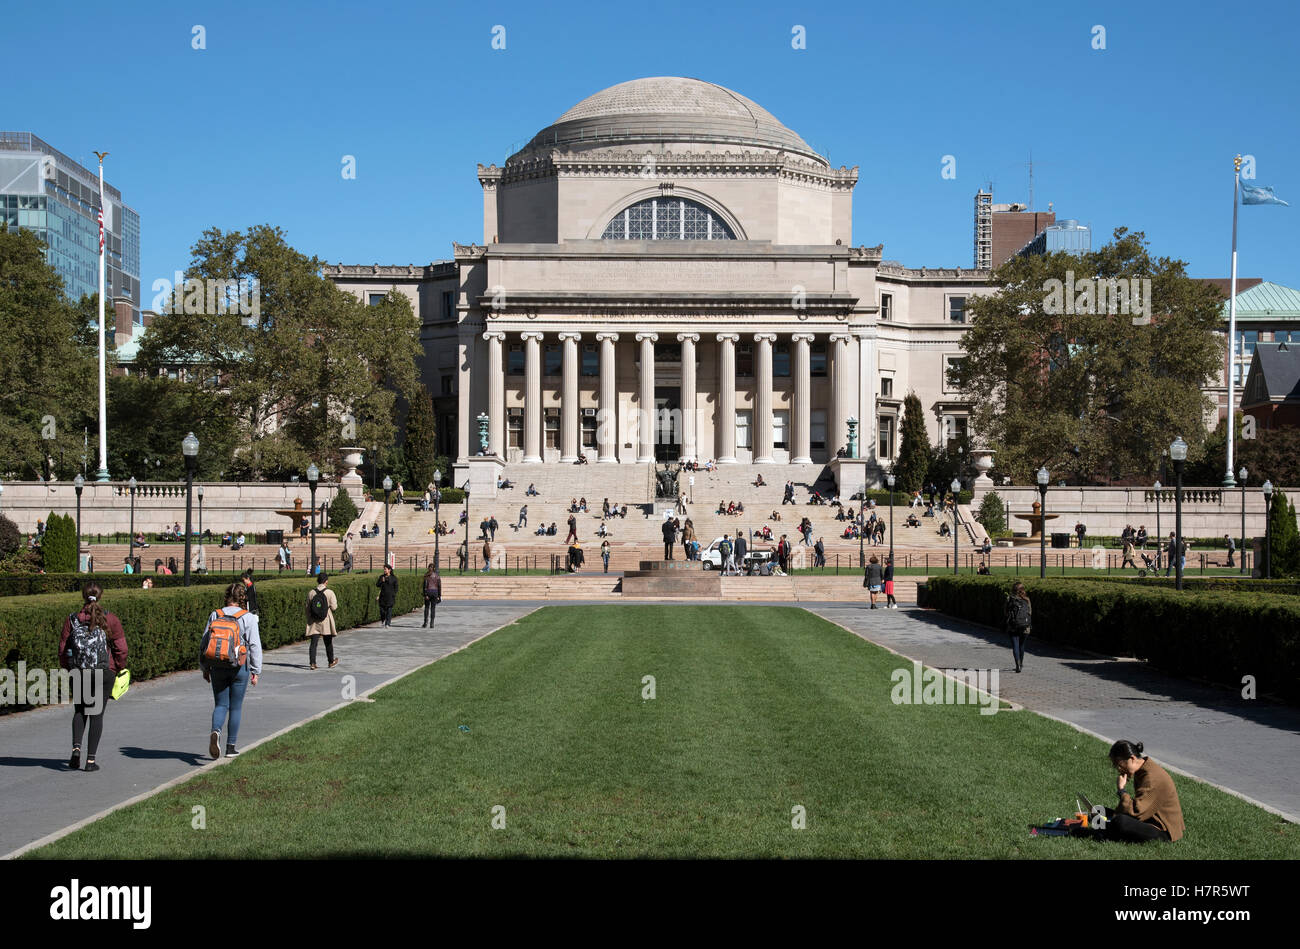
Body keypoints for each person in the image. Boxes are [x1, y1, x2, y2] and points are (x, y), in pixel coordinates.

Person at [59, 583, 128, 772]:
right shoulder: (109, 619)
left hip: (79, 671)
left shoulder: (72, 619)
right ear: (100, 596)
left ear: (83, 597)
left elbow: (63, 649)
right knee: (97, 715)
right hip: (103, 671)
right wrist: (118, 668)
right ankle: (90, 761)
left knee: (80, 711)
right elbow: (121, 648)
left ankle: (75, 749)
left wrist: (69, 668)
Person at [200, 581, 262, 759]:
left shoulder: (215, 614)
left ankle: (216, 731)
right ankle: (230, 747)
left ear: (226, 597)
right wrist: (256, 671)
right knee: (235, 707)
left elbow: (205, 643)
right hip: (239, 667)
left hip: (217, 665)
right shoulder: (247, 617)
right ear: (243, 599)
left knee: (220, 704)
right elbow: (254, 645)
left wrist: (204, 667)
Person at [1103, 740, 1185, 843]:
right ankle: (1104, 824)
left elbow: (1136, 812)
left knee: (1120, 822)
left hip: (1163, 831)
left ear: (1132, 759)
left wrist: (1121, 790)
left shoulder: (1152, 778)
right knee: (1101, 811)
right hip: (1149, 819)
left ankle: (1104, 829)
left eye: (1120, 765)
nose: (1119, 770)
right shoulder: (1142, 770)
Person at [305, 572, 339, 670]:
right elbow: (334, 607)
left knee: (313, 643)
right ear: (326, 581)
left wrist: (309, 618)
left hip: (314, 620)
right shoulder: (329, 592)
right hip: (326, 619)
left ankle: (312, 663)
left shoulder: (311, 592)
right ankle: (331, 661)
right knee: (328, 641)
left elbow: (307, 608)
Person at [1004, 581, 1031, 673]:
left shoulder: (1010, 599)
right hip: (1025, 626)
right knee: (1022, 645)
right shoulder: (1027, 600)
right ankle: (1021, 663)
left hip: (1013, 625)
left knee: (1015, 645)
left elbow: (1006, 612)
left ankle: (1017, 665)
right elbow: (1030, 613)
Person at [422, 563, 441, 628]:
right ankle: (432, 623)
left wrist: (425, 594)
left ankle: (425, 622)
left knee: (427, 608)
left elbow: (424, 586)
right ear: (434, 569)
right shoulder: (437, 576)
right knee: (433, 608)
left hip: (428, 592)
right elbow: (439, 586)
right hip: (435, 592)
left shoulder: (426, 575)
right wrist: (439, 595)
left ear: (428, 568)